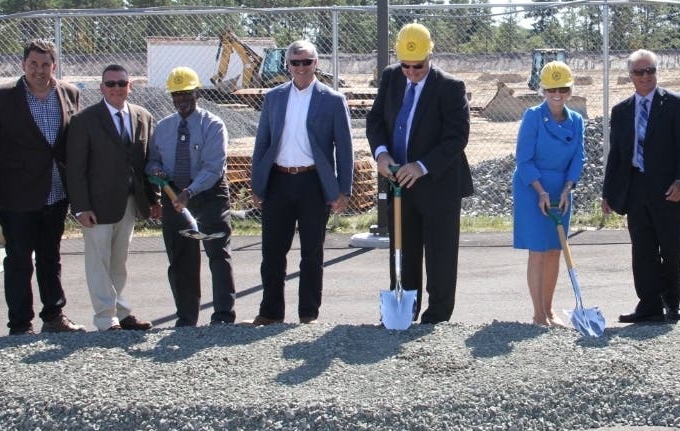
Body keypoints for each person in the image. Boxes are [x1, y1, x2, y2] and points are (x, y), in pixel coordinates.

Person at [0, 40, 85, 335]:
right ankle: (20, 324)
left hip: (56, 192)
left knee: (51, 257)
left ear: (54, 66)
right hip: (16, 195)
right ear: (23, 65)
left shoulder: (69, 93)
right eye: (33, 64)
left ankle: (54, 316)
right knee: (19, 259)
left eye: (45, 64)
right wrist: (8, 174)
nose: (39, 70)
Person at [366, 22, 473, 324]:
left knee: (440, 254)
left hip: (438, 185)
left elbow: (457, 137)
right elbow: (375, 121)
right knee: (403, 248)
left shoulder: (451, 88)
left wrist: (422, 166)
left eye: (418, 66)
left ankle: (437, 316)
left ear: (430, 55)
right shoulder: (390, 78)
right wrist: (381, 154)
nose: (411, 72)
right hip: (398, 180)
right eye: (406, 66)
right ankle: (403, 310)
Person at [248, 40, 353, 325]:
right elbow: (263, 143)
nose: (301, 68)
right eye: (296, 62)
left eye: (307, 62)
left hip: (313, 184)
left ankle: (308, 313)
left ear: (316, 63)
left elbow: (344, 147)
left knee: (311, 252)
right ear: (288, 65)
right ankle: (270, 312)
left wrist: (343, 190)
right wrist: (257, 184)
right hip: (279, 182)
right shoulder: (274, 97)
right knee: (272, 252)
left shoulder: (332, 99)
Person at [601, 49, 680, 323]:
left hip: (669, 190)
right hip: (635, 188)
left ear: (657, 72)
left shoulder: (676, 104)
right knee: (642, 250)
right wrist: (608, 192)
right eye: (639, 72)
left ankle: (672, 303)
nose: (645, 76)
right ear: (630, 76)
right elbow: (617, 155)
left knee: (670, 248)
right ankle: (649, 304)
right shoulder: (621, 111)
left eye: (650, 71)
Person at [67, 64, 160, 332]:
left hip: (129, 204)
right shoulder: (84, 120)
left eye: (122, 83)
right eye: (111, 84)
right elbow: (76, 169)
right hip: (97, 206)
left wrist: (153, 201)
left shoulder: (142, 116)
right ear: (102, 88)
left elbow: (146, 163)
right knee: (99, 262)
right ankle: (106, 317)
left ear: (130, 86)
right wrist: (81, 207)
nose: (116, 88)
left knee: (119, 262)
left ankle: (121, 310)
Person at [146, 66, 236, 327]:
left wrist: (189, 192)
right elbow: (151, 161)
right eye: (176, 95)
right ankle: (186, 318)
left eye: (186, 94)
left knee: (218, 254)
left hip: (208, 195)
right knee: (181, 259)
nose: (181, 100)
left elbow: (213, 167)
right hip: (174, 196)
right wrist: (155, 170)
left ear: (197, 93)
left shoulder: (213, 125)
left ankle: (222, 315)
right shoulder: (163, 128)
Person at [512, 60, 585, 326]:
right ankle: (538, 314)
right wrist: (541, 192)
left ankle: (550, 309)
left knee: (555, 249)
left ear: (570, 91)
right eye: (552, 89)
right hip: (532, 187)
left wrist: (568, 188)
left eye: (563, 89)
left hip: (561, 190)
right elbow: (524, 159)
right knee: (539, 251)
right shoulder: (533, 117)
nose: (557, 95)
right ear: (542, 90)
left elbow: (578, 157)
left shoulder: (576, 121)